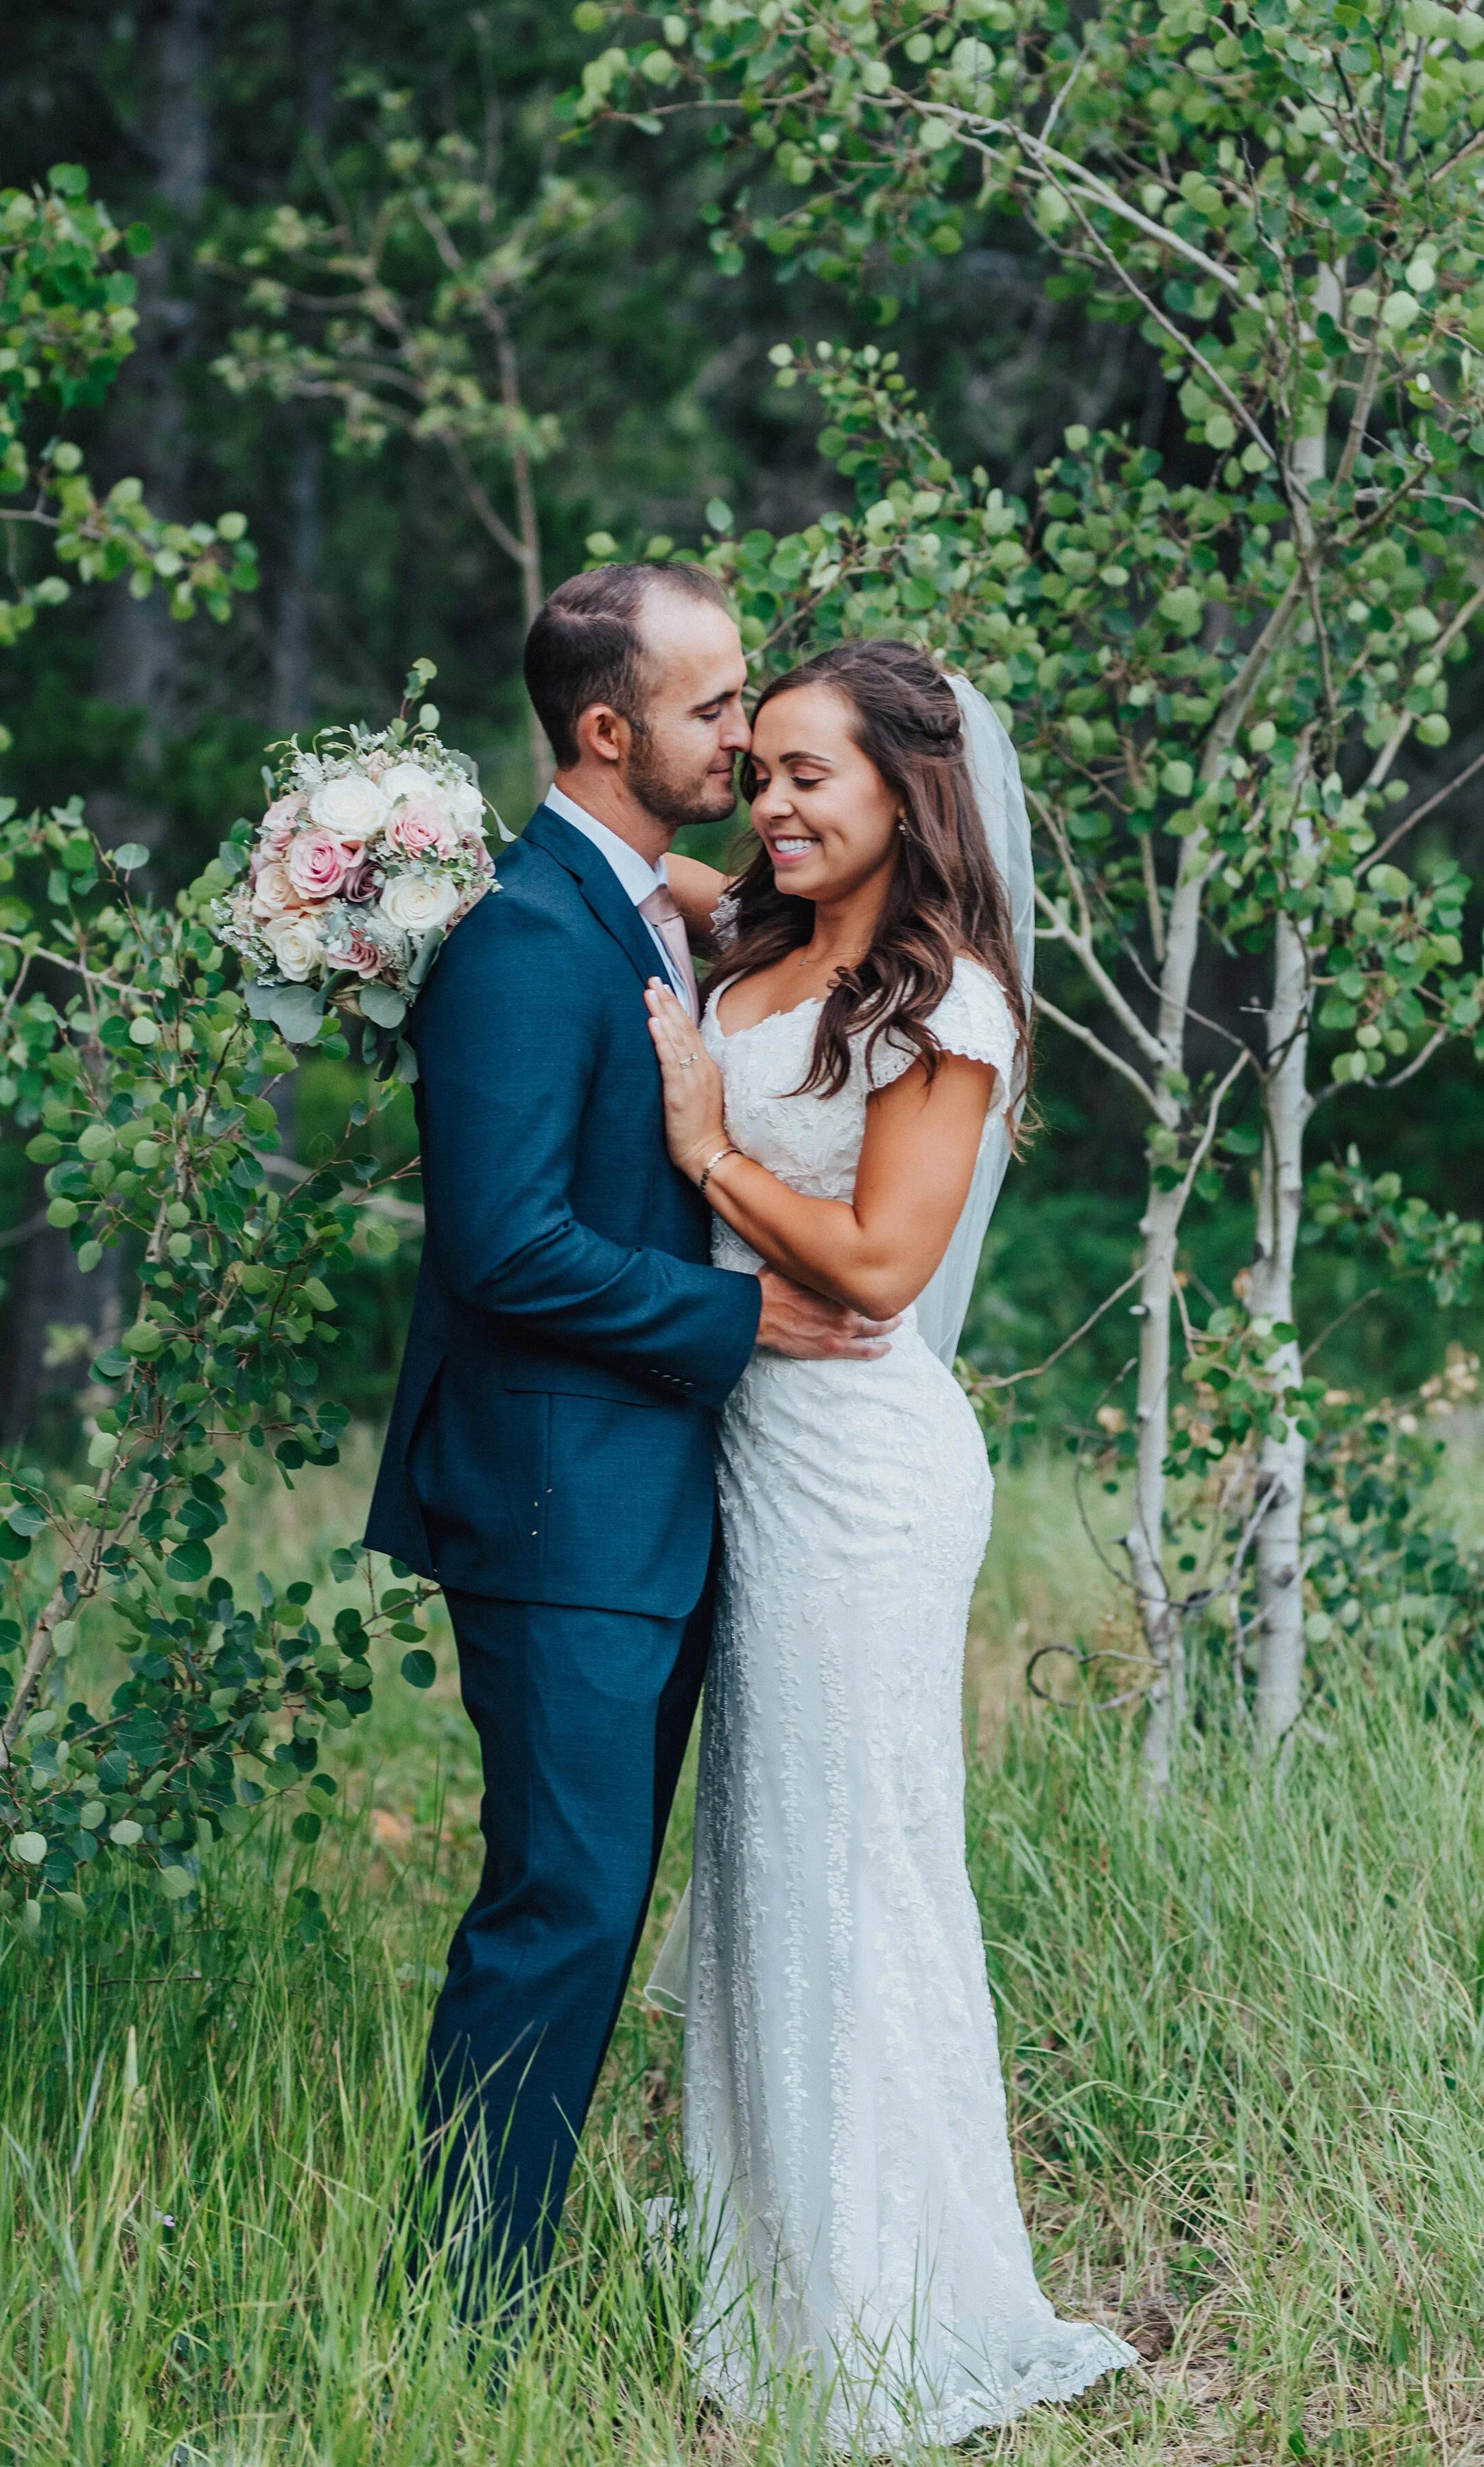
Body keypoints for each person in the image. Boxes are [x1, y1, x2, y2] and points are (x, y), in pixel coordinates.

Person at [364, 565, 898, 2299]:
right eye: (714, 707)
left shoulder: (641, 902)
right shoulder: (525, 939)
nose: (744, 736)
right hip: (556, 1506)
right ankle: (465, 2304)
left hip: (647, 1502)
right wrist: (745, 1320)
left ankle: (497, 2267)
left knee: (596, 1902)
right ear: (608, 731)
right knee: (566, 1908)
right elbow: (504, 1244)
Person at [643, 638, 1136, 2445]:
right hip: (748, 1454)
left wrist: (708, 1145)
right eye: (758, 767)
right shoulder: (759, 942)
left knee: (859, 1861)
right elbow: (648, 871)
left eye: (808, 775)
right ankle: (776, 2258)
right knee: (767, 1853)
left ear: (905, 793)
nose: (769, 801)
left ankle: (891, 2305)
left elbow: (877, 1267)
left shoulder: (950, 1001)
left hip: (859, 1474)